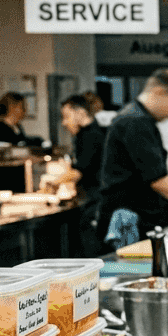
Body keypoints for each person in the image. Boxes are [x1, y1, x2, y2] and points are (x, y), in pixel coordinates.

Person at [98, 68, 168, 243]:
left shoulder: (143, 119)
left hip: (136, 215)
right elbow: (157, 178)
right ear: (159, 92)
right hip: (125, 220)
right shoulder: (135, 121)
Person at [45, 94, 107, 254]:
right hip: (92, 200)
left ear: (80, 113)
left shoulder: (91, 136)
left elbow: (78, 172)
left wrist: (53, 183)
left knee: (93, 253)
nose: (64, 123)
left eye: (66, 117)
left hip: (95, 202)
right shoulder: (86, 134)